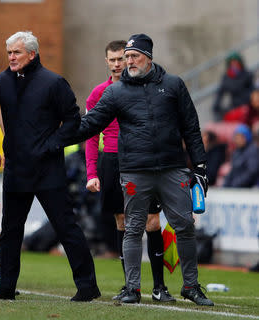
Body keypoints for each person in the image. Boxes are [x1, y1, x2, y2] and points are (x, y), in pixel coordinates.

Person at [61, 34, 214, 306]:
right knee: (132, 229)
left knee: (185, 226)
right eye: (126, 56)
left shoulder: (174, 85)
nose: (128, 61)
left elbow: (191, 127)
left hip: (172, 169)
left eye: (134, 56)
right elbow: (91, 125)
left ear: (149, 57)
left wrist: (200, 167)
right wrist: (57, 135)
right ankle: (132, 288)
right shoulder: (115, 92)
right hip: (134, 171)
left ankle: (190, 285)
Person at [0, 31, 100, 302]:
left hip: (48, 169)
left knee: (65, 227)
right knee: (11, 232)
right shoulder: (2, 80)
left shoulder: (53, 82)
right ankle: (5, 287)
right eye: (9, 52)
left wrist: (51, 145)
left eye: (16, 52)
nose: (11, 57)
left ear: (32, 54)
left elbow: (73, 122)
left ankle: (87, 287)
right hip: (16, 169)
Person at [85, 40, 174, 302]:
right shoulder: (98, 93)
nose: (116, 64)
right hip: (112, 160)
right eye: (111, 60)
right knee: (123, 222)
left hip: (143, 159)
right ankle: (130, 287)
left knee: (152, 222)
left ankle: (159, 286)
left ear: (130, 60)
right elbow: (91, 136)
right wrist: (92, 172)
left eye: (120, 59)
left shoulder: (147, 90)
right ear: (106, 62)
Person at [212, 52, 253, 120]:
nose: (235, 65)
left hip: (248, 106)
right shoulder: (227, 78)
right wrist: (216, 107)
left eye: (236, 63)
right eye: (232, 63)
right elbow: (220, 93)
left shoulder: (247, 74)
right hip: (235, 107)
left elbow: (252, 90)